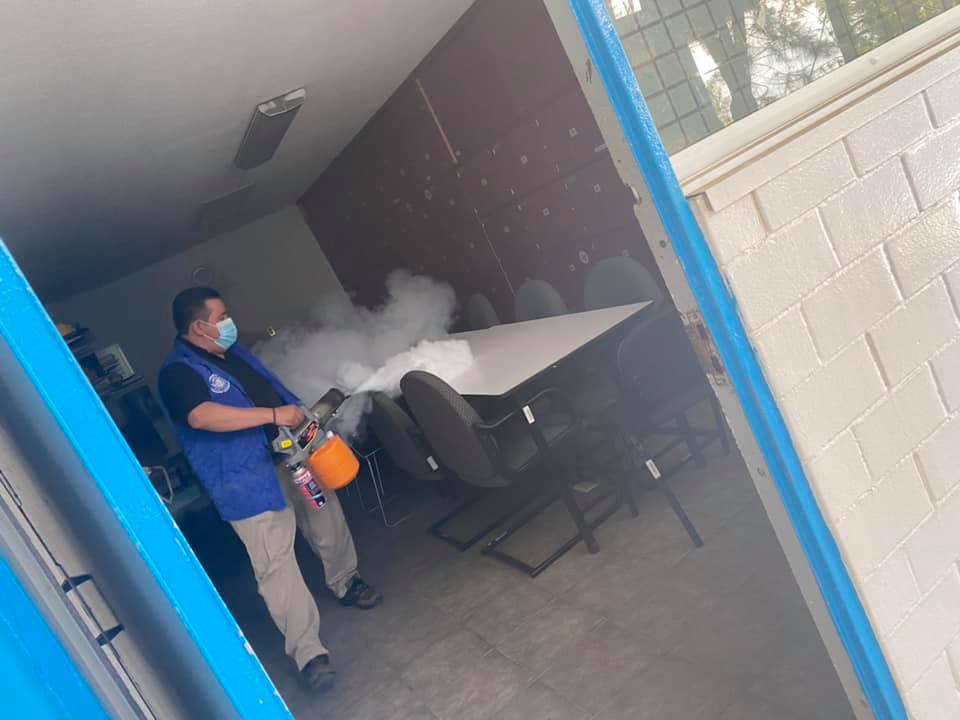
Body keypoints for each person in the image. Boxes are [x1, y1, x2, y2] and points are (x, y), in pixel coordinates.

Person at [157, 286, 381, 691]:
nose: (230, 322)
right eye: (221, 317)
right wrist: (274, 414)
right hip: (247, 481)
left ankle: (347, 581)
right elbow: (202, 416)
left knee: (326, 519)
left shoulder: (234, 354)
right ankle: (309, 653)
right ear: (199, 327)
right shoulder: (178, 373)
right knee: (275, 564)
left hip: (293, 459)